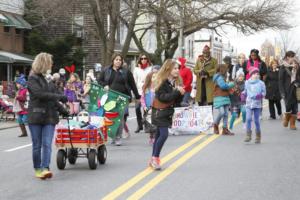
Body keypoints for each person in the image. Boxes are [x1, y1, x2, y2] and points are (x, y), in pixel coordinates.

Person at [27, 52, 69, 179]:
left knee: (46, 143)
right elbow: (40, 94)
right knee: (37, 145)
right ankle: (37, 168)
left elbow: (52, 99)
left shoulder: (49, 79)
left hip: (50, 116)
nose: (52, 64)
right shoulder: (32, 78)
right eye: (50, 62)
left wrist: (63, 110)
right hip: (36, 116)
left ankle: (45, 168)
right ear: (44, 63)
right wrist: (60, 97)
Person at [98, 53, 140, 146]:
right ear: (113, 60)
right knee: (109, 117)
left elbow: (132, 84)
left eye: (120, 60)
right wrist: (104, 85)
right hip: (109, 97)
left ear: (122, 62)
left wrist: (137, 96)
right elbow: (99, 80)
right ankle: (112, 135)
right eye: (116, 59)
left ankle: (118, 137)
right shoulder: (106, 70)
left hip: (122, 98)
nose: (118, 61)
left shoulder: (126, 72)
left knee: (119, 118)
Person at [149, 59, 185, 170]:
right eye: (174, 68)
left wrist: (181, 93)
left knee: (159, 135)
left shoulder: (175, 81)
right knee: (164, 135)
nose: (177, 70)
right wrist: (176, 92)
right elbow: (163, 98)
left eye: (178, 68)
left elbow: (176, 101)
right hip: (159, 112)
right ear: (168, 69)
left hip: (167, 112)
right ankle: (155, 158)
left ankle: (153, 159)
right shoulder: (162, 81)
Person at [242, 67, 266, 143]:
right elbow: (245, 91)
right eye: (255, 73)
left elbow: (264, 92)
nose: (256, 75)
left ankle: (258, 136)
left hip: (257, 104)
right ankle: (248, 135)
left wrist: (260, 95)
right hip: (249, 103)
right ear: (251, 75)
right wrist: (243, 95)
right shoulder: (247, 82)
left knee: (256, 120)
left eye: (257, 73)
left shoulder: (261, 83)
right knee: (248, 119)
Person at [279, 51, 300, 130]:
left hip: (295, 89)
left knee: (295, 107)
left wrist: (298, 83)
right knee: (288, 107)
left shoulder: (297, 66)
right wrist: (282, 92)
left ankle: (292, 124)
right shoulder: (283, 67)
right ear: (288, 57)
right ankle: (286, 118)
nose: (293, 58)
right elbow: (280, 81)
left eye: (294, 57)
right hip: (287, 90)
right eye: (292, 57)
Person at [212, 64, 235, 135]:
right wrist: (231, 84)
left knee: (225, 114)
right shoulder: (219, 78)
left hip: (224, 96)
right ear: (223, 70)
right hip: (219, 97)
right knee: (222, 112)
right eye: (226, 70)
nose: (227, 71)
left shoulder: (223, 77)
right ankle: (215, 124)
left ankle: (225, 129)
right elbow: (223, 86)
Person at [141, 65, 160, 144]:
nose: (154, 78)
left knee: (155, 123)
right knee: (149, 123)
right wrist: (144, 106)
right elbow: (142, 99)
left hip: (156, 108)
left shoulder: (158, 88)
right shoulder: (146, 88)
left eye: (156, 77)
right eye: (153, 77)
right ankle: (151, 136)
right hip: (147, 109)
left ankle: (155, 136)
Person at [133, 54, 152, 133]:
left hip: (147, 91)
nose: (143, 60)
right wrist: (134, 92)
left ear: (147, 60)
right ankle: (139, 124)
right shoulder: (136, 69)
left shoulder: (150, 68)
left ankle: (147, 125)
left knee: (146, 109)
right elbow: (134, 81)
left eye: (145, 58)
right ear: (139, 60)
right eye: (142, 59)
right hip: (139, 91)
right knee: (137, 108)